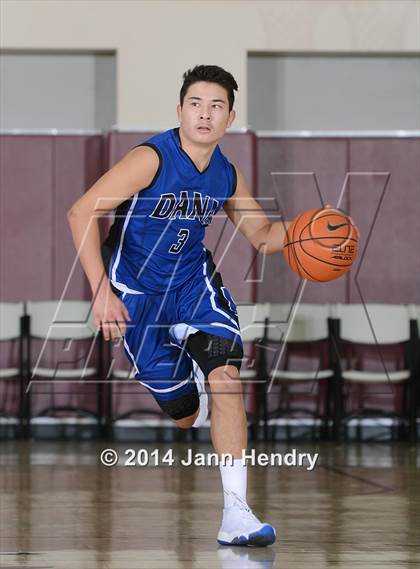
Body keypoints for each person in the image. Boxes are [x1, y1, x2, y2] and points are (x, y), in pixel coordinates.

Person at [67, 65, 290, 547]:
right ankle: (199, 389)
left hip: (193, 287)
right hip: (136, 298)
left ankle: (237, 516)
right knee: (186, 415)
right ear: (180, 111)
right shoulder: (151, 158)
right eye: (196, 104)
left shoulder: (226, 173)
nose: (204, 114)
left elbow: (262, 235)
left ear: (230, 117)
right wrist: (100, 291)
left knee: (227, 379)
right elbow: (81, 212)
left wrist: (310, 229)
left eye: (216, 106)